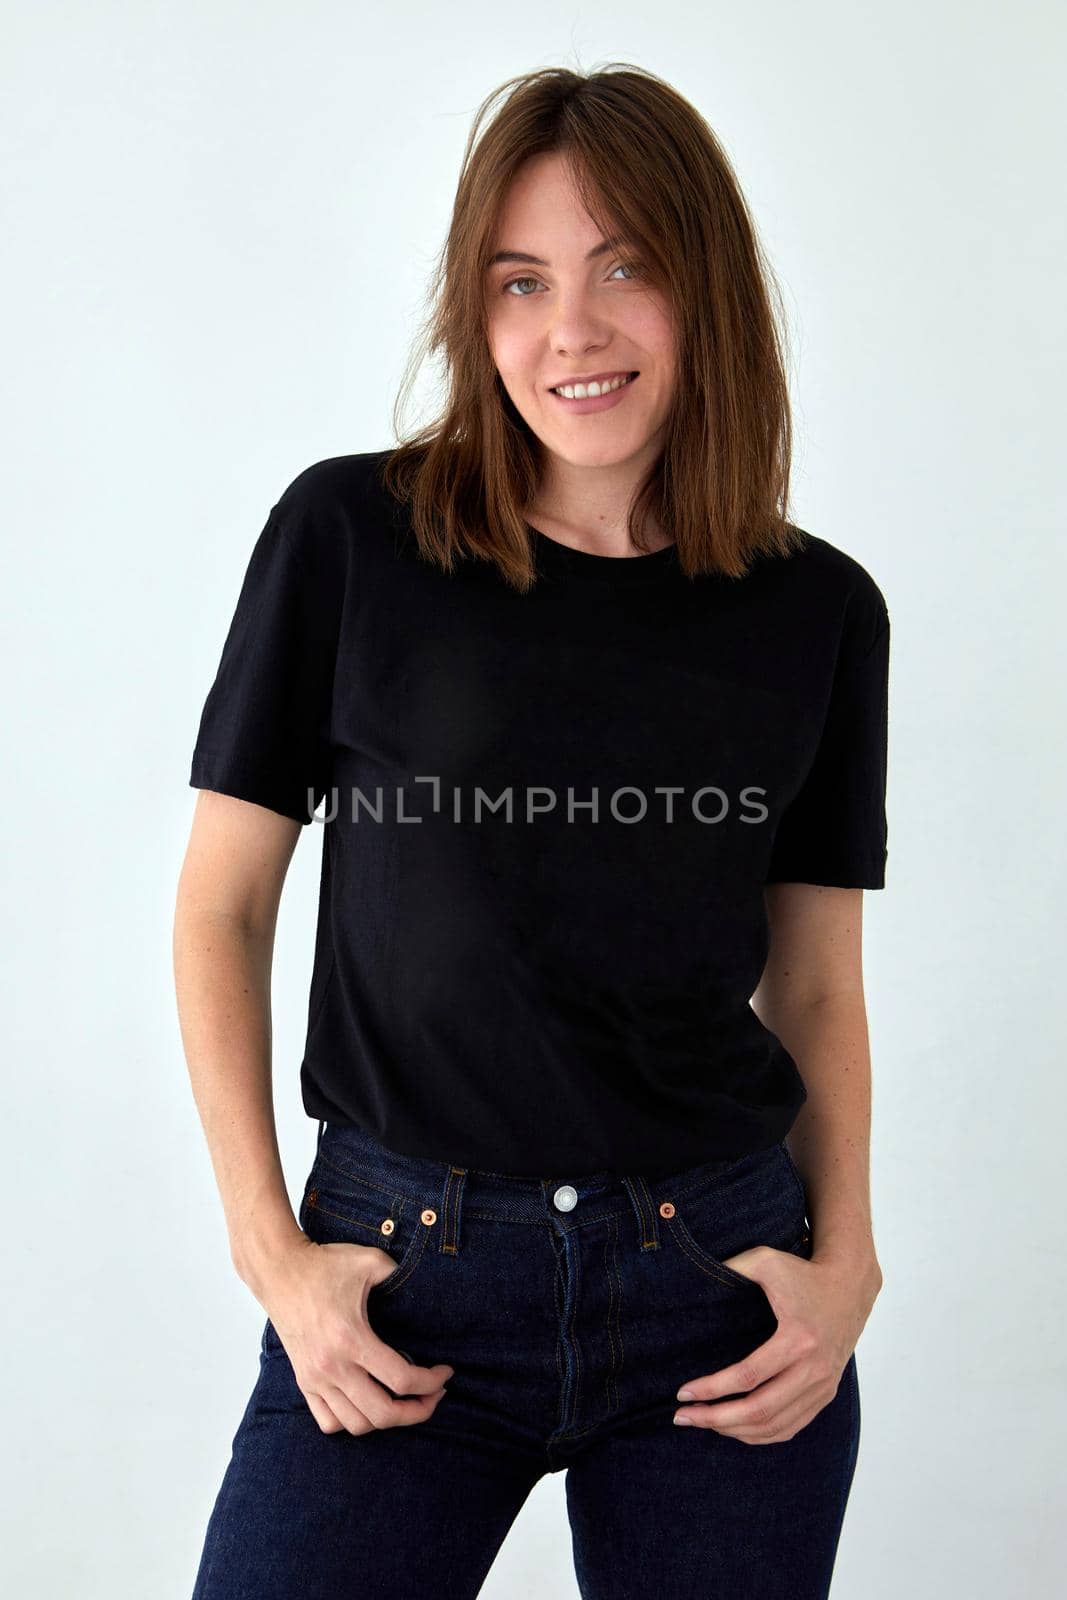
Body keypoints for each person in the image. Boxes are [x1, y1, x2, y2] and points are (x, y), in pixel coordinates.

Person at [174, 62, 889, 1600]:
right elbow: (221, 909)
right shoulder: (349, 538)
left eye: (626, 266)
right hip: (400, 1284)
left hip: (719, 1294)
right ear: (473, 311)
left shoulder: (819, 610)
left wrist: (851, 1266)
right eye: (521, 281)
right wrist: (270, 1256)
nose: (572, 329)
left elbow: (817, 984)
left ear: (707, 290)